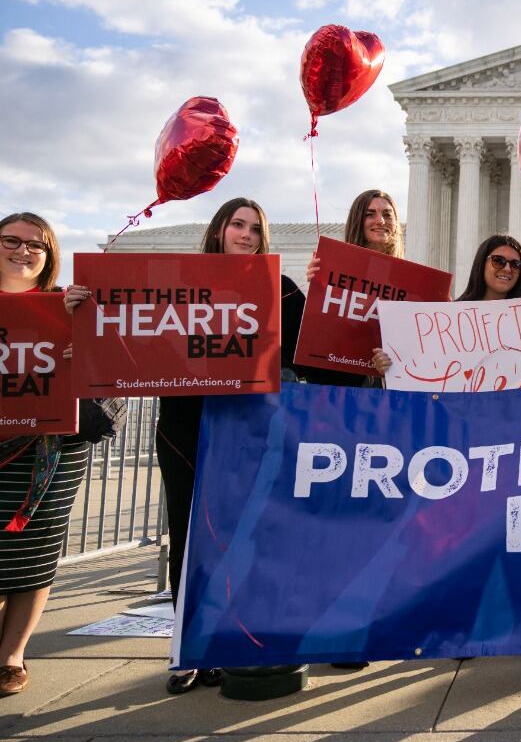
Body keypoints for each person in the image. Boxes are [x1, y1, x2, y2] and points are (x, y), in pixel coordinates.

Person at [65, 198, 306, 694]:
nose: (245, 234)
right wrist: (75, 313)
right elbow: (125, 336)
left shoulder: (279, 289)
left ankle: (232, 640)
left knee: (243, 537)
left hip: (248, 429)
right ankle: (189, 648)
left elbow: (314, 344)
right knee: (188, 532)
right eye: (236, 225)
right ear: (218, 230)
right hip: (184, 424)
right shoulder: (175, 286)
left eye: (255, 228)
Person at [0, 213, 120, 696]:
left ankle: (12, 654)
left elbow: (110, 369)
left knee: (33, 552)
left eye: (37, 245)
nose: (23, 251)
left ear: (50, 255)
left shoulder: (67, 306)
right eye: (12, 240)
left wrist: (82, 345)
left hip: (49, 450)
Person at [371, 234, 521, 375]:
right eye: (498, 261)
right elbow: (425, 368)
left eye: (515, 264)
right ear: (481, 264)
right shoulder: (449, 318)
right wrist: (390, 366)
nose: (507, 268)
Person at [305, 189, 404, 388]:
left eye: (387, 214)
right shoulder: (333, 272)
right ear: (358, 220)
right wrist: (317, 291)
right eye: (370, 214)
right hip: (345, 389)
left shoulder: (410, 281)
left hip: (391, 391)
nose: (380, 221)